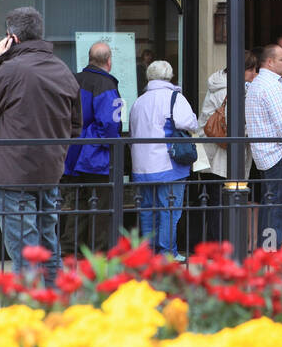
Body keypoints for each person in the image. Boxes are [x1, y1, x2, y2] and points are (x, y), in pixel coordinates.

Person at [0, 7, 81, 285]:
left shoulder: (10, 69)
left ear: (12, 38)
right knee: (49, 247)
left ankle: (30, 313)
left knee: (24, 252)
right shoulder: (63, 70)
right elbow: (75, 125)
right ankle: (54, 308)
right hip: (49, 172)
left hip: (15, 174)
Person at [129, 60, 198, 259]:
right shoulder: (174, 97)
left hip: (141, 165)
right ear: (170, 76)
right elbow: (188, 123)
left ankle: (148, 252)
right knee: (169, 210)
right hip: (168, 164)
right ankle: (167, 253)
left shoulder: (139, 101)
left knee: (147, 210)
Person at [61, 41, 123, 257]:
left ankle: (70, 250)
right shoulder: (106, 85)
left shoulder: (74, 80)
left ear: (89, 58)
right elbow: (110, 125)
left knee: (77, 205)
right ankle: (98, 254)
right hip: (96, 157)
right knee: (101, 206)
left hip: (73, 152)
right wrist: (109, 147)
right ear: (109, 61)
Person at [192, 50, 257, 245]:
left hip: (210, 152)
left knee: (214, 200)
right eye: (252, 70)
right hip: (221, 155)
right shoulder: (230, 90)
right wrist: (250, 132)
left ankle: (215, 244)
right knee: (220, 202)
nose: (255, 74)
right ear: (243, 70)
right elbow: (232, 126)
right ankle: (219, 245)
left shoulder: (220, 84)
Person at [245, 43, 282, 251]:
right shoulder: (270, 86)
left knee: (271, 205)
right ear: (269, 62)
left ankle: (266, 249)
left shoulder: (258, 84)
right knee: (277, 208)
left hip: (267, 154)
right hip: (278, 154)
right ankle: (270, 252)